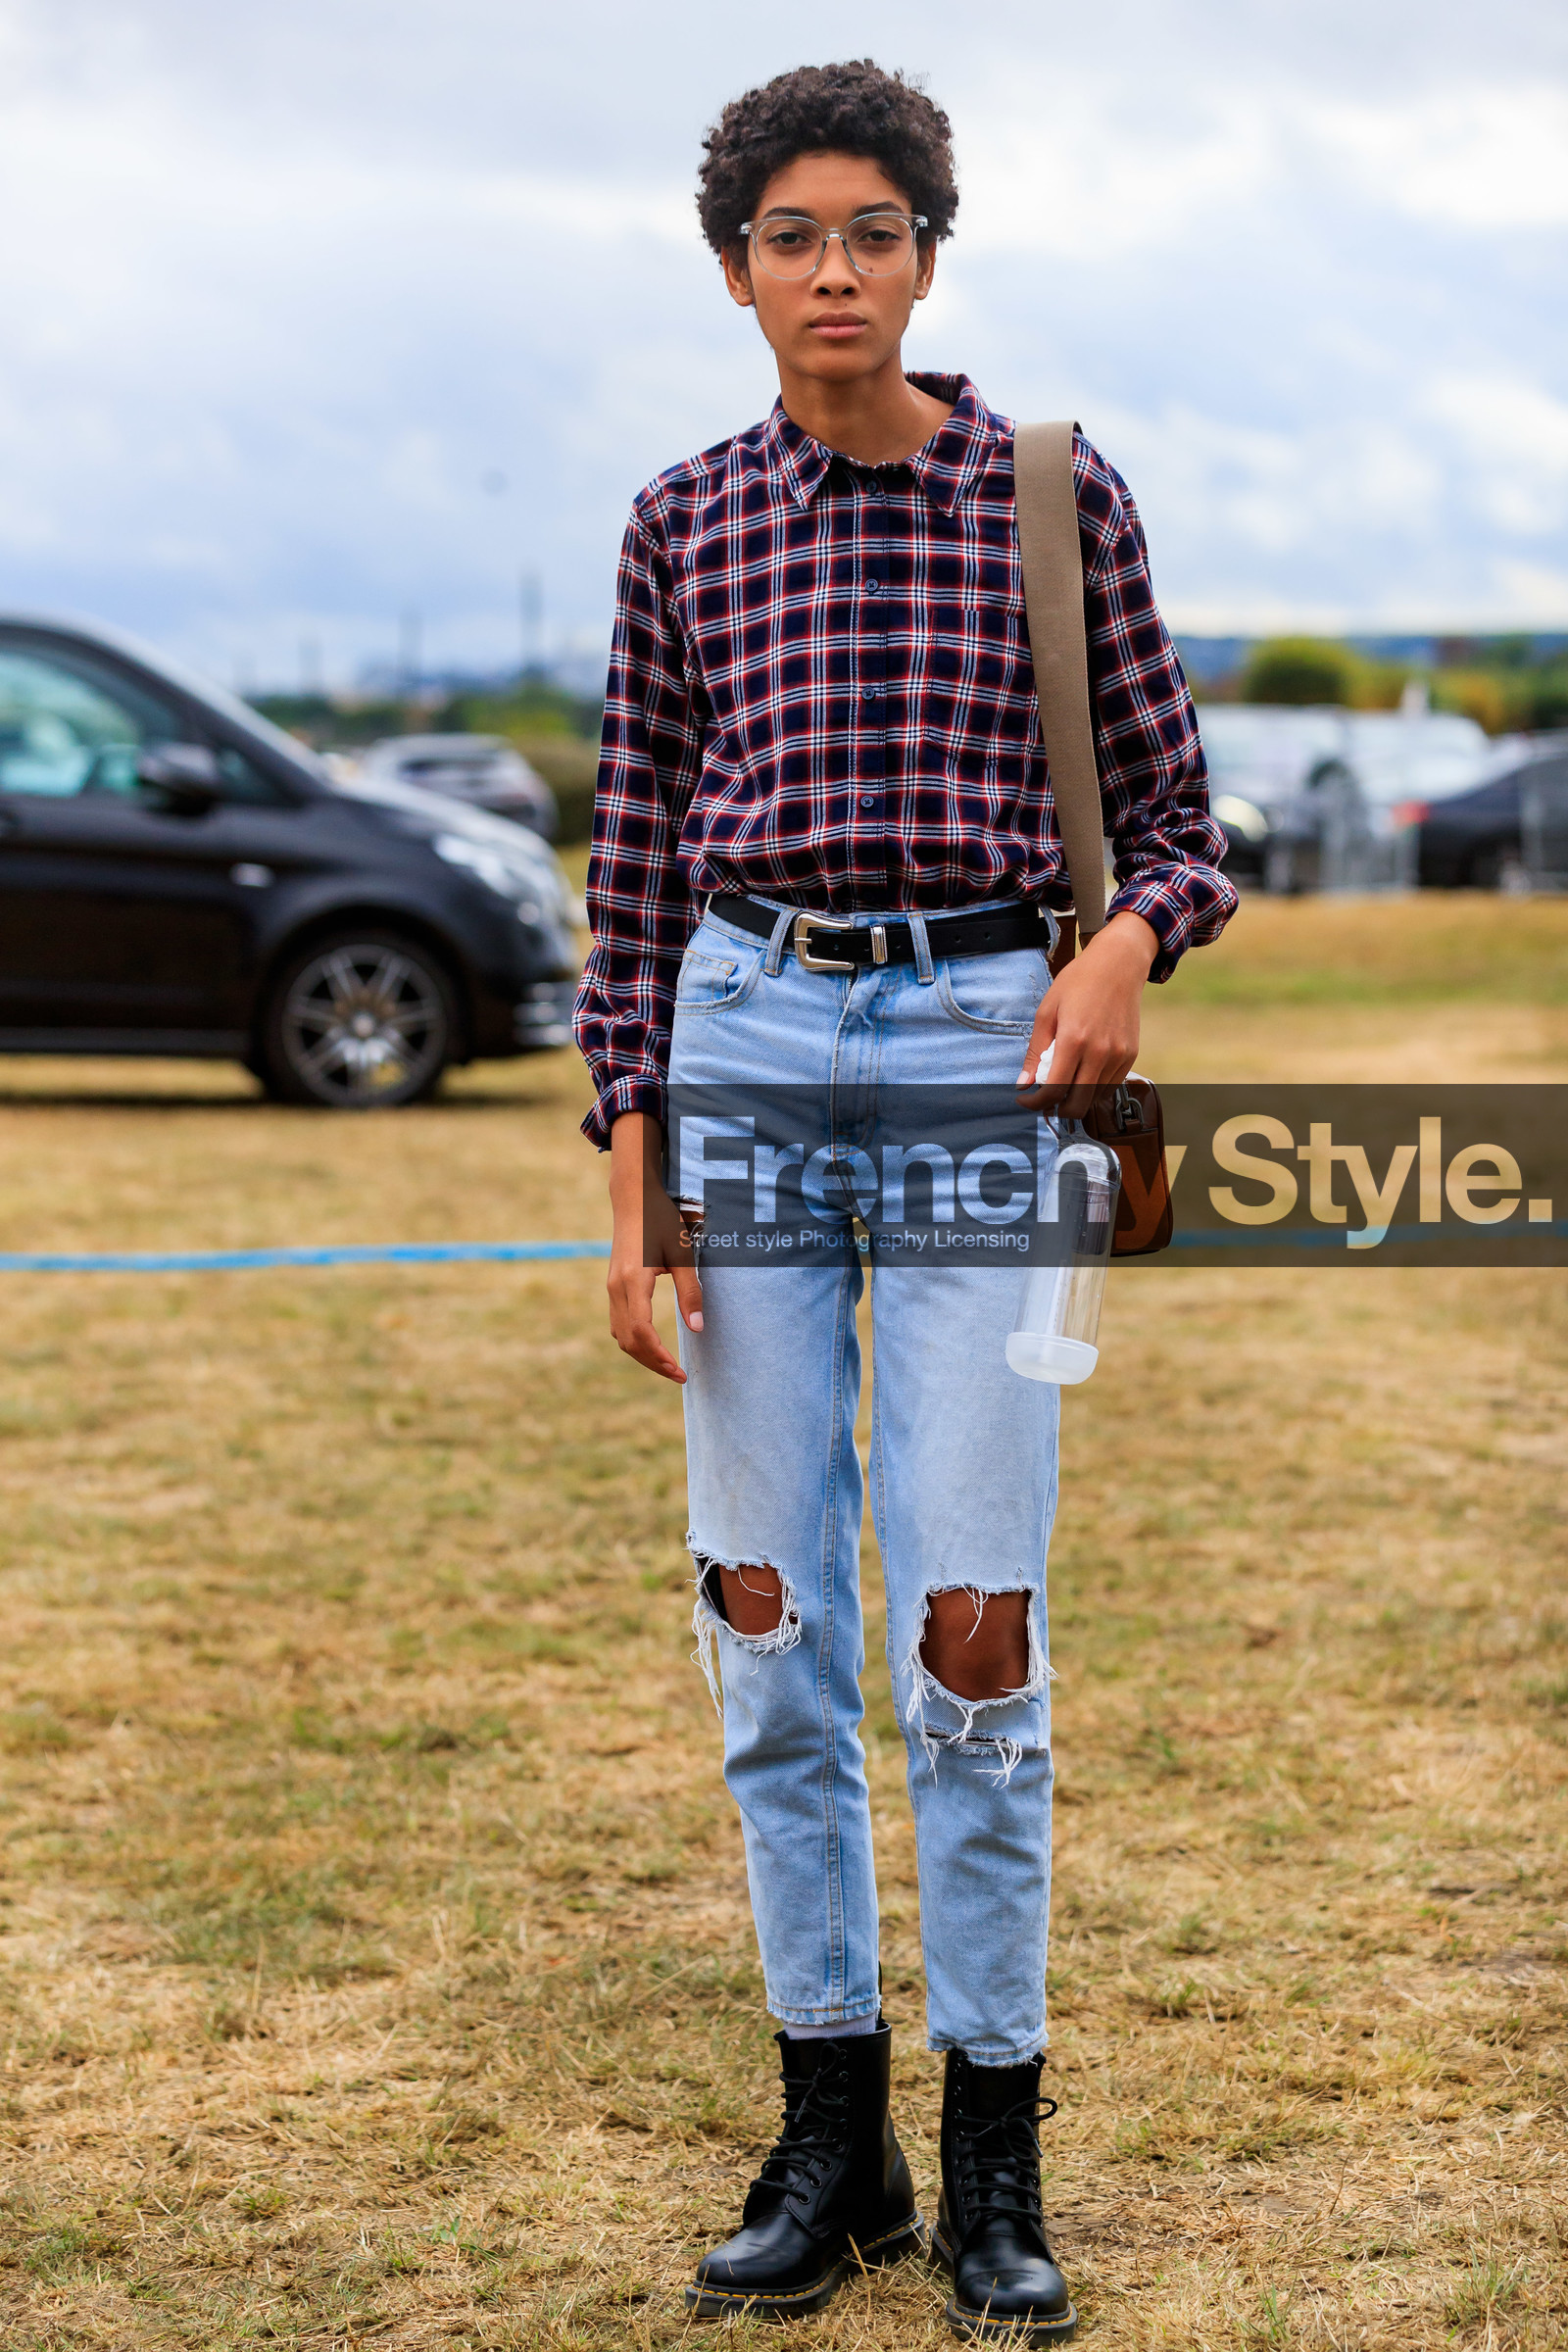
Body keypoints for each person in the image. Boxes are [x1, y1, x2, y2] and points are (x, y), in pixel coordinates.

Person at [573, 58, 1237, 2343]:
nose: (831, 270)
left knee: (973, 1628)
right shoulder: (681, 522)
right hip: (747, 1042)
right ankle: (826, 2138)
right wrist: (634, 1188)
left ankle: (989, 2162)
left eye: (871, 230)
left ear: (927, 257)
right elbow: (629, 871)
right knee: (761, 1621)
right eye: (790, 237)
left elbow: (1180, 828)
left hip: (979, 1052)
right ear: (734, 272)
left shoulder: (1051, 494)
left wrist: (1122, 943)